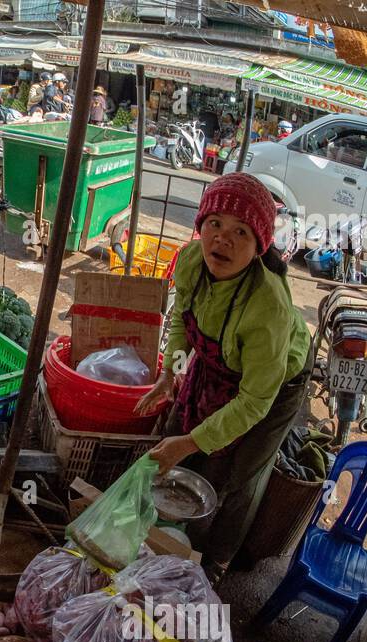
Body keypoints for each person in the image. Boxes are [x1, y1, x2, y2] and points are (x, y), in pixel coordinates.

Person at [132, 173, 313, 586]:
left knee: (235, 473)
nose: (222, 240)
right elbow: (181, 320)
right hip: (216, 365)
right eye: (214, 224)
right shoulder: (193, 261)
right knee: (178, 429)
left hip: (272, 385)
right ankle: (162, 531)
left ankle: (216, 561)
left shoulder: (268, 308)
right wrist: (170, 372)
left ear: (259, 244)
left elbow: (253, 402)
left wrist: (193, 442)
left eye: (240, 232)